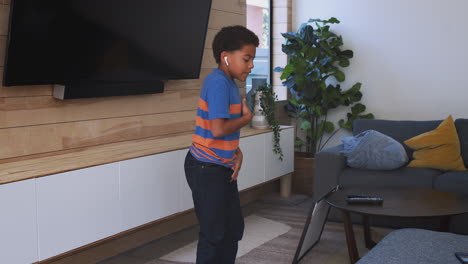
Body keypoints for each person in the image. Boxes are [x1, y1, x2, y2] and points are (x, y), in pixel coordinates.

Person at [184, 25, 259, 264]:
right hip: (206, 169)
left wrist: (236, 152)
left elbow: (218, 130)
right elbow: (217, 129)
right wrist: (246, 119)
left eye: (252, 59)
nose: (251, 65)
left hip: (220, 167)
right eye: (246, 59)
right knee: (214, 234)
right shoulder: (217, 83)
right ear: (226, 56)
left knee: (232, 229)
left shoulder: (228, 83)